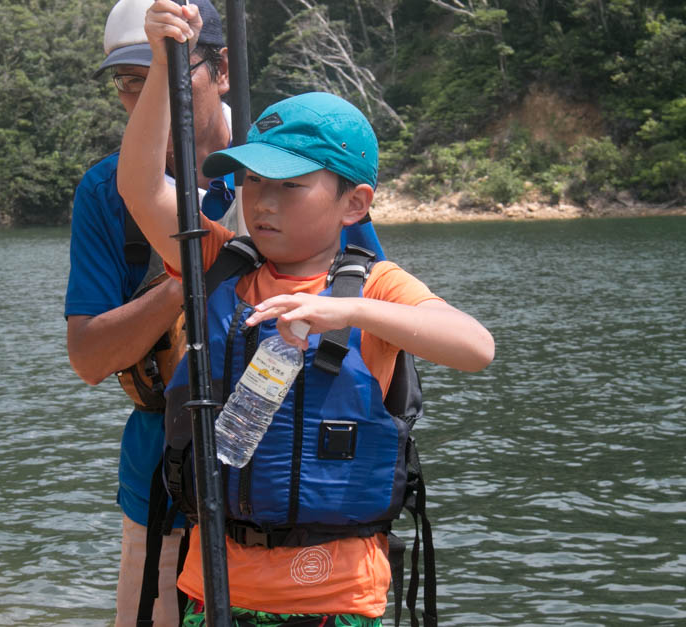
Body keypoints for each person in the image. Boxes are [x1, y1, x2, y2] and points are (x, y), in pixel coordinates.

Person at [117, 7, 496, 625]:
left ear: (355, 202)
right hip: (217, 589)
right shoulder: (216, 261)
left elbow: (475, 346)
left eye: (290, 184)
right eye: (250, 180)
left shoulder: (375, 285)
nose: (261, 200)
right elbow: (139, 185)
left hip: (336, 600)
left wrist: (343, 309)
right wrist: (165, 64)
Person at [63, 0, 232, 624]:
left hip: (279, 489)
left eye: (166, 73)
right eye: (132, 81)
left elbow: (359, 295)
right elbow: (89, 358)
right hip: (160, 482)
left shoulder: (285, 172)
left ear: (222, 71)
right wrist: (187, 278)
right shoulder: (107, 192)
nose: (145, 97)